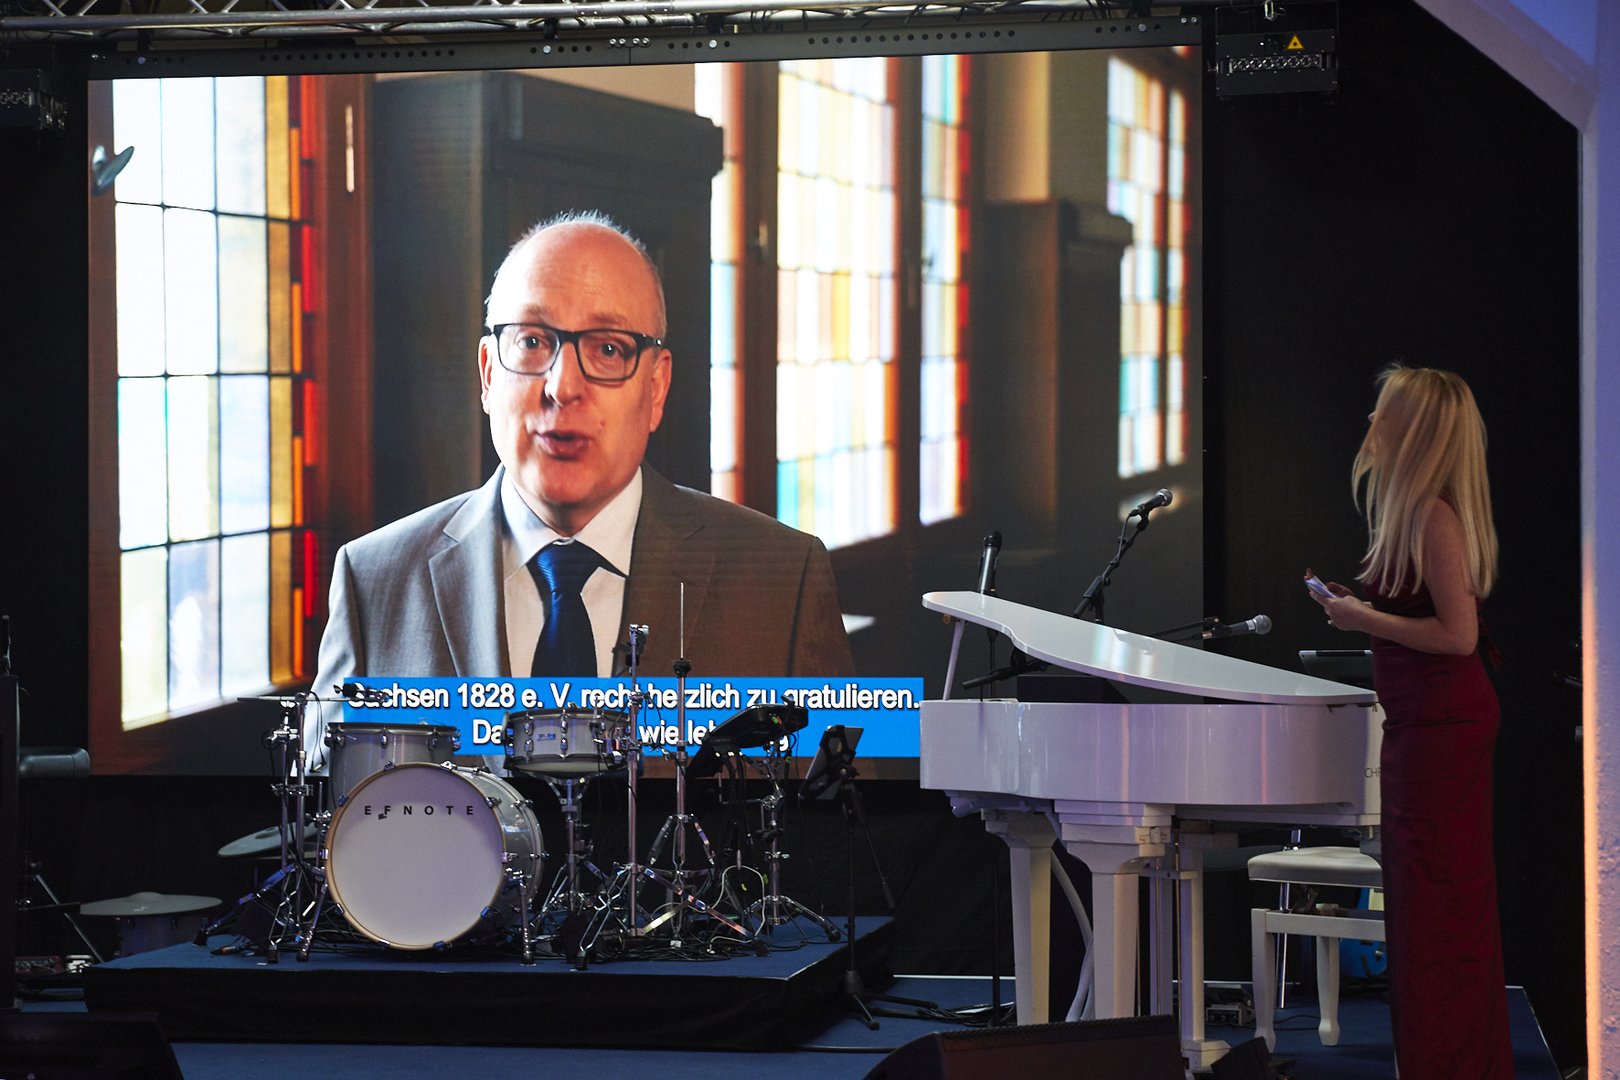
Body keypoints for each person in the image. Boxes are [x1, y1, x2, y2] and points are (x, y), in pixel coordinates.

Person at [304, 211, 854, 768]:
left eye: (608, 350)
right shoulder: (373, 579)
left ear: (656, 387)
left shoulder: (784, 582)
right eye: (532, 341)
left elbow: (846, 814)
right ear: (488, 374)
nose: (562, 387)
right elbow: (327, 812)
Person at [1310, 365, 1513, 1078]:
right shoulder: (1419, 513)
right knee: (1430, 912)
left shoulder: (1433, 515)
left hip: (1442, 730)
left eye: (1383, 411)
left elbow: (1458, 637)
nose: (1371, 421)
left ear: (1414, 430)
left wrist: (1360, 618)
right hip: (1428, 727)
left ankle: (1450, 1064)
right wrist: (1366, 612)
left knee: (1438, 916)